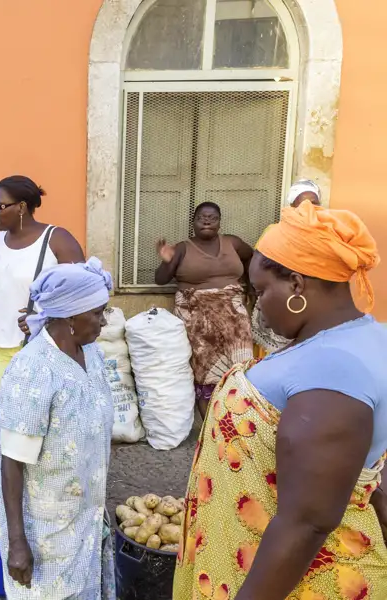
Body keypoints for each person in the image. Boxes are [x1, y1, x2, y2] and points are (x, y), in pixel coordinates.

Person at [173, 202, 386, 600]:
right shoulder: (362, 338)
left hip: (298, 584)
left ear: (296, 285)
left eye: (262, 291)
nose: (260, 308)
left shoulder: (332, 368)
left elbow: (307, 522)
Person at [0, 257, 115, 599]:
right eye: (98, 312)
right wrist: (18, 542)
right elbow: (12, 462)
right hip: (45, 530)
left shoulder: (93, 356)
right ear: (71, 316)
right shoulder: (33, 371)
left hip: (84, 517)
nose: (103, 322)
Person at [0, 175, 84, 439]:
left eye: (0, 206)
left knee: (36, 432)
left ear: (21, 207)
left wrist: (44, 315)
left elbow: (85, 294)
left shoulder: (56, 239)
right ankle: (1, 481)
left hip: (41, 351)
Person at [155, 201, 254, 417]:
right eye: (201, 217)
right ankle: (210, 423)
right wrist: (166, 261)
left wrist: (251, 288)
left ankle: (238, 417)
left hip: (234, 316)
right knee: (205, 368)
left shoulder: (233, 243)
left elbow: (252, 259)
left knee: (240, 366)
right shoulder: (182, 248)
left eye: (212, 218)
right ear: (193, 223)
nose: (207, 221)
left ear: (220, 222)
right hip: (197, 315)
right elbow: (161, 280)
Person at [252, 179, 323, 357]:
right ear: (291, 207)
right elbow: (258, 266)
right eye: (301, 204)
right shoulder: (275, 232)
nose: (308, 208)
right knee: (274, 357)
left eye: (314, 203)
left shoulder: (327, 235)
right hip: (280, 301)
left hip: (313, 303)